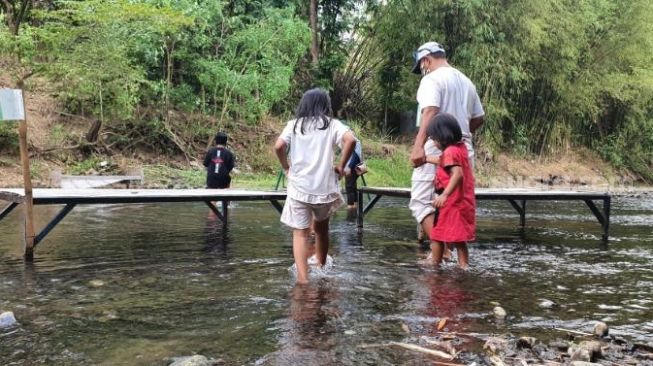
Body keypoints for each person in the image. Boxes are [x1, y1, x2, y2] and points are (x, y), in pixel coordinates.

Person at [274, 88, 356, 284]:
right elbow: (351, 140)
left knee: (300, 233)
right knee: (322, 229)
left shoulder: (294, 125)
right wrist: (341, 166)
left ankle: (303, 280)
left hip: (299, 187)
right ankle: (320, 264)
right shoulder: (332, 125)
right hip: (324, 188)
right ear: (325, 106)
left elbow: (278, 146)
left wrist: (286, 167)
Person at [408, 41, 484, 253]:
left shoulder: (432, 79)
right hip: (463, 149)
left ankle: (443, 255)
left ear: (426, 60)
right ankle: (455, 259)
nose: (423, 71)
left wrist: (418, 147)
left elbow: (430, 110)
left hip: (437, 146)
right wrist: (459, 134)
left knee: (421, 203)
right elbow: (479, 118)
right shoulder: (466, 81)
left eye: (422, 66)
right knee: (453, 205)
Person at [424, 113, 476, 268]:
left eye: (434, 138)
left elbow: (457, 174)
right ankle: (464, 267)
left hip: (451, 202)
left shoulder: (450, 152)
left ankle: (435, 263)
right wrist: (426, 159)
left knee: (437, 235)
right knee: (459, 240)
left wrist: (444, 195)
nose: (433, 142)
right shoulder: (459, 148)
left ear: (443, 136)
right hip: (462, 201)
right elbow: (445, 162)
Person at [343, 138, 363, 209]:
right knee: (353, 186)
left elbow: (355, 156)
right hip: (355, 167)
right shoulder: (356, 141)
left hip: (352, 167)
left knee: (349, 187)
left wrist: (349, 167)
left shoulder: (353, 141)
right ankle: (355, 205)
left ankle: (350, 206)